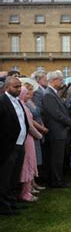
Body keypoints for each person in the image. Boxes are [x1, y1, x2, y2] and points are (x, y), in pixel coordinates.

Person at [0, 77, 29, 215]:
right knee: (5, 176)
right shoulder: (2, 102)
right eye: (15, 87)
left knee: (14, 175)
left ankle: (11, 201)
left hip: (20, 143)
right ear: (6, 88)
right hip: (8, 146)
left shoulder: (17, 101)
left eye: (19, 86)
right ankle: (4, 206)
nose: (18, 89)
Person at [42, 71, 71, 188]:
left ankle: (58, 179)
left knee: (58, 158)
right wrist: (70, 122)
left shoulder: (53, 93)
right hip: (56, 131)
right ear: (53, 81)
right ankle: (56, 181)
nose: (62, 81)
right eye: (60, 79)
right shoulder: (48, 94)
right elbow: (56, 114)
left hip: (59, 130)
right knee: (56, 158)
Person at [18, 82, 43, 202]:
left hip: (28, 137)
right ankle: (26, 193)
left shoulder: (22, 105)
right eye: (26, 93)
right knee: (28, 163)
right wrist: (39, 135)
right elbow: (30, 125)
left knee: (29, 163)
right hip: (28, 138)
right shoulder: (22, 106)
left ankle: (28, 189)